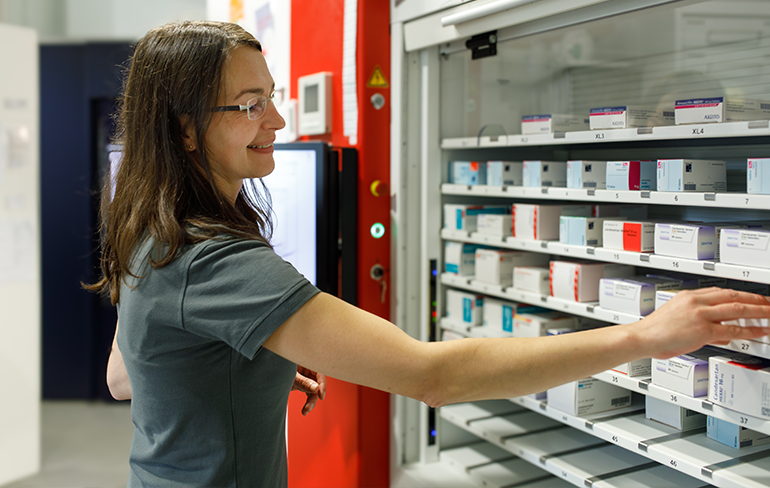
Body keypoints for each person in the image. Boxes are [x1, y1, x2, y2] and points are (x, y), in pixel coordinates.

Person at [90, 20, 770, 488]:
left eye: (272, 96)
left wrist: (244, 374)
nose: (278, 121)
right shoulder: (219, 263)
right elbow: (434, 377)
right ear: (183, 128)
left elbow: (128, 374)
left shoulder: (150, 226)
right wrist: (643, 334)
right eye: (248, 104)